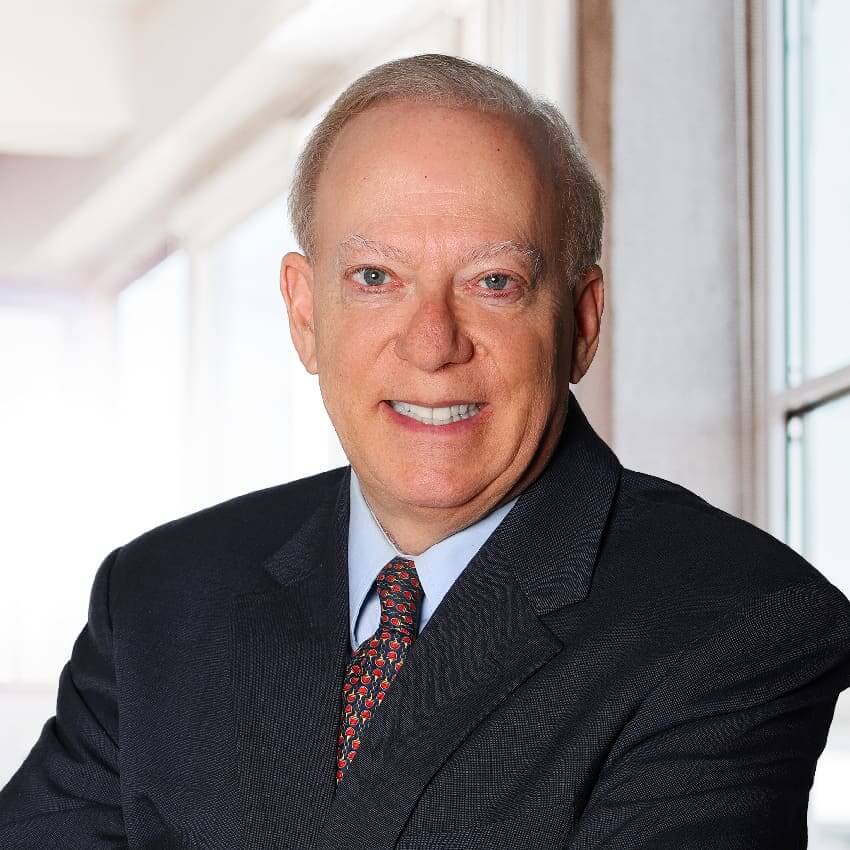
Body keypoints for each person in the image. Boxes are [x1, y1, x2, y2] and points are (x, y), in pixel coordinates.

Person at [2, 53, 849, 850]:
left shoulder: (739, 621)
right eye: (375, 278)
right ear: (304, 313)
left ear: (582, 323)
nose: (433, 344)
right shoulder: (156, 600)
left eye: (494, 282)